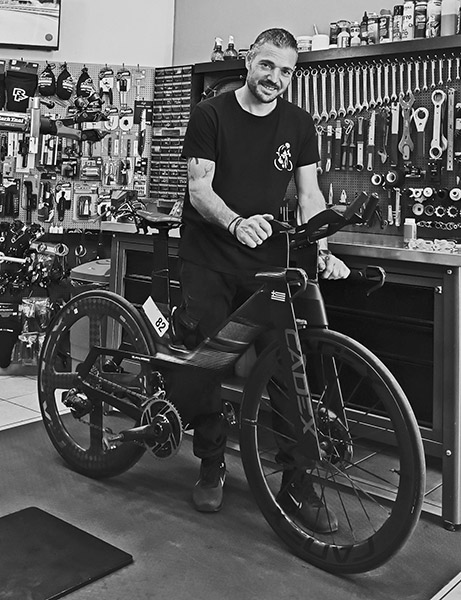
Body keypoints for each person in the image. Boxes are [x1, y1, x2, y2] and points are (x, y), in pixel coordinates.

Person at [174, 28, 350, 530]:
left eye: (286, 71)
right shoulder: (210, 114)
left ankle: (296, 481)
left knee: (287, 363)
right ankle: (211, 463)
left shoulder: (299, 123)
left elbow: (309, 196)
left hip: (266, 260)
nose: (275, 77)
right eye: (267, 65)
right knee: (208, 359)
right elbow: (199, 189)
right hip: (209, 254)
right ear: (249, 61)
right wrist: (235, 222)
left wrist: (323, 249)